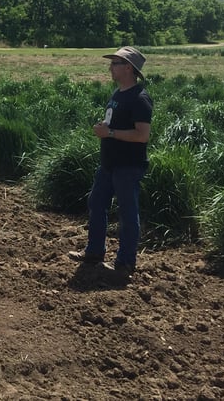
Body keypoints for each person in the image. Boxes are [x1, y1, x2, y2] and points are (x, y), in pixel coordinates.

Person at [69, 46, 153, 276]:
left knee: (127, 214)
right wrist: (105, 127)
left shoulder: (139, 99)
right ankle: (94, 252)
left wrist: (111, 134)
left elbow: (142, 135)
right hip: (108, 164)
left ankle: (125, 264)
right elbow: (115, 124)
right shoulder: (117, 94)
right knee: (96, 205)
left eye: (115, 63)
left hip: (128, 166)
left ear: (128, 68)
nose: (110, 67)